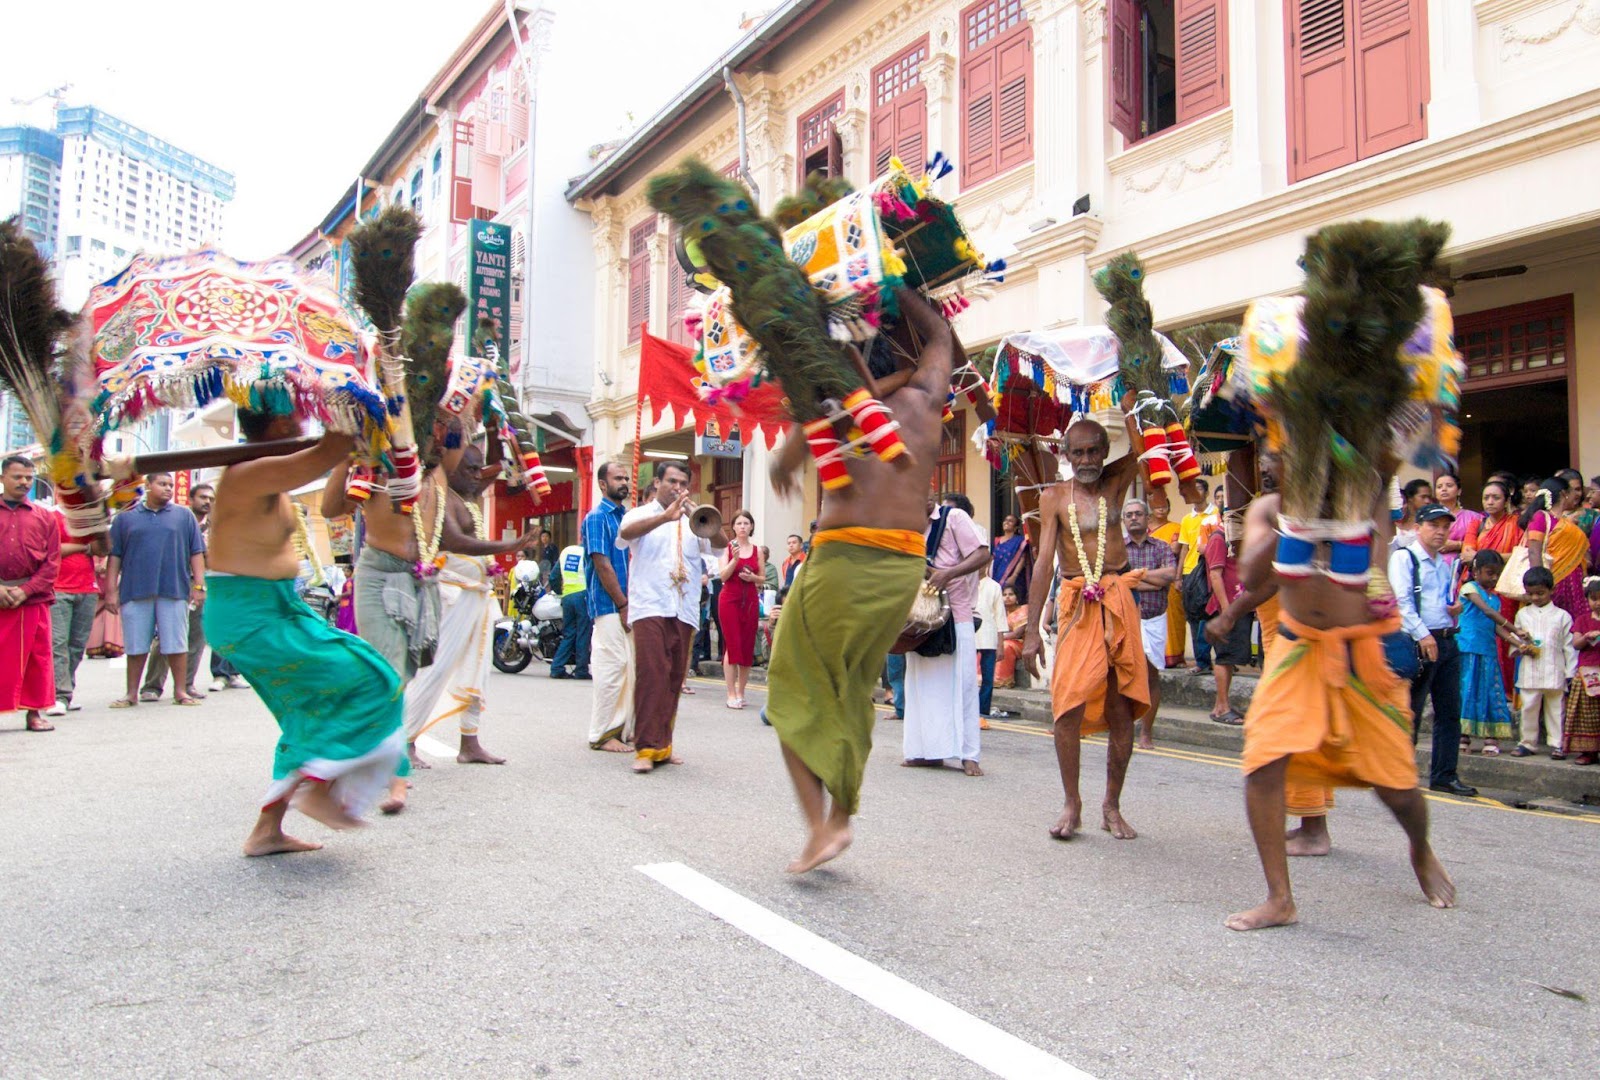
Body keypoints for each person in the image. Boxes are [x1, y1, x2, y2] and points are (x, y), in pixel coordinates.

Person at [764, 285, 951, 872]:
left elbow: (780, 467)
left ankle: (820, 829)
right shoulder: (925, 401)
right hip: (901, 570)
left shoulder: (832, 413)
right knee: (851, 691)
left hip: (842, 562)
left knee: (790, 690)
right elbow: (942, 335)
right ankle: (840, 817)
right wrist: (893, 285)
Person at [1227, 488, 1454, 930]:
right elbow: (1253, 576)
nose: (1277, 463)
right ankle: (1280, 899)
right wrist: (1294, 520)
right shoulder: (1269, 507)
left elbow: (1376, 556)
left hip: (1361, 651)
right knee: (1263, 762)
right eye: (1274, 455)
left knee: (1396, 788)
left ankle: (1420, 850)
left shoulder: (1365, 494)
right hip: (1297, 649)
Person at [203, 412, 404, 856]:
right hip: (250, 615)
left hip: (273, 608)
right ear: (276, 426)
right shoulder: (249, 473)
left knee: (309, 712)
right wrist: (355, 407)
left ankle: (267, 831)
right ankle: (318, 787)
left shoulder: (268, 474)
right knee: (374, 680)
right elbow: (329, 450)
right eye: (293, 420)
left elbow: (330, 454)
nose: (299, 425)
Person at [1020, 416, 1149, 841]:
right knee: (1068, 706)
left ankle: (1111, 806)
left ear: (1104, 450)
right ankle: (1071, 802)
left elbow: (1140, 450)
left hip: (1115, 598)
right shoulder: (1055, 496)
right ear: (1066, 455)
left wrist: (1128, 409)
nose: (1088, 459)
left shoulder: (1116, 484)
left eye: (1095, 450)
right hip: (1077, 603)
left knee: (1121, 708)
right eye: (1078, 453)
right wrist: (1032, 630)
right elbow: (1042, 563)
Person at [402, 445, 529, 781]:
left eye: (478, 469)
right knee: (434, 667)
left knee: (478, 672)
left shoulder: (468, 496)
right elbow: (456, 542)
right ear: (448, 466)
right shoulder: (437, 495)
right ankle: (405, 741)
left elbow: (495, 466)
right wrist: (507, 547)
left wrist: (497, 426)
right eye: (470, 469)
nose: (478, 475)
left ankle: (469, 743)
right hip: (452, 595)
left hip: (477, 597)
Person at [618, 460, 727, 772]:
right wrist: (664, 518)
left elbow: (720, 545)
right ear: (657, 483)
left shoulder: (694, 520)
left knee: (674, 677)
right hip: (650, 604)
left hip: (685, 607)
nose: (678, 488)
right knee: (652, 674)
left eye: (683, 483)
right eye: (672, 482)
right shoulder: (640, 513)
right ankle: (645, 747)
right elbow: (625, 534)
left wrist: (702, 515)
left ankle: (663, 746)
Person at [1389, 503, 1477, 796]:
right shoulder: (1405, 559)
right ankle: (1400, 773)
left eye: (1445, 527)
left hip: (1447, 638)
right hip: (1418, 641)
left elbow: (1441, 602)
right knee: (1411, 709)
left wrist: (1454, 610)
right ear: (1418, 528)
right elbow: (1402, 603)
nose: (1440, 532)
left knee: (1449, 712)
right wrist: (1424, 635)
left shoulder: (1444, 563)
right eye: (1433, 526)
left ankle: (1444, 774)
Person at [903, 491, 989, 776]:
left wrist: (947, 573)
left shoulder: (954, 517)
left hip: (956, 614)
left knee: (962, 685)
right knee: (921, 685)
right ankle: (925, 751)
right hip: (921, 616)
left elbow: (982, 554)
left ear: (931, 488)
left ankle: (969, 755)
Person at [106, 472, 207, 709]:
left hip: (174, 588)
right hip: (135, 589)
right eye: (162, 484)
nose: (168, 489)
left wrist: (199, 585)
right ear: (148, 486)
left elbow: (196, 553)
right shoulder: (126, 518)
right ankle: (131, 693)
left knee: (176, 642)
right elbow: (115, 556)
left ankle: (180, 691)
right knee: (136, 643)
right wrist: (111, 591)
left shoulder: (184, 516)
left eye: (171, 485)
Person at [1, 455, 61, 732]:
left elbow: (52, 563)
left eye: (28, 477)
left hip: (32, 597)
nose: (24, 482)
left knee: (37, 657)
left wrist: (26, 590)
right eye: (17, 477)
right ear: (3, 478)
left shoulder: (45, 517)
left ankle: (34, 713)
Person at [142, 481, 214, 701]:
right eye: (202, 497)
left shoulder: (216, 526)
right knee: (167, 636)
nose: (207, 502)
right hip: (176, 583)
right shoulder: (177, 519)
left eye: (211, 499)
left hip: (204, 584)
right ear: (190, 500)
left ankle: (187, 684)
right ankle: (152, 685)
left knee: (196, 636)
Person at [583, 462, 635, 752]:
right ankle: (601, 734)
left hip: (629, 605)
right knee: (612, 666)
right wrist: (622, 603)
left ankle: (623, 730)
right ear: (603, 484)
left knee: (630, 669)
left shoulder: (625, 518)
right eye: (618, 478)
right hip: (609, 604)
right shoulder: (597, 518)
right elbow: (602, 564)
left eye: (625, 477)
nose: (624, 482)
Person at [1461, 479, 1524, 696]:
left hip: (1504, 587)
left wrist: (1483, 557)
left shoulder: (1515, 523)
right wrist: (1491, 558)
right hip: (1478, 587)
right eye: (1486, 497)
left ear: (1506, 500)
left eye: (1496, 497)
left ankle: (1506, 690)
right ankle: (1482, 690)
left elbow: (1520, 553)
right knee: (1480, 633)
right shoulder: (1476, 524)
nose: (1490, 502)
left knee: (1501, 636)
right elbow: (1466, 553)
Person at [1123, 498, 1177, 748]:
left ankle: (1146, 732)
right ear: (1124, 520)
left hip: (1154, 618)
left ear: (1147, 518)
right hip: (1125, 620)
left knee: (1151, 676)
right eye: (1129, 514)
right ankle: (1122, 727)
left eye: (1138, 514)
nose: (1133, 518)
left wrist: (1135, 577)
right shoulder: (1117, 548)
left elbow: (1169, 575)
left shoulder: (1161, 547)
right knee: (1121, 676)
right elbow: (1116, 581)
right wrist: (1150, 578)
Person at [1457, 550, 1523, 755]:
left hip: (1487, 650)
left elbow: (1495, 627)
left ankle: (1490, 737)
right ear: (1475, 572)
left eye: (1497, 574)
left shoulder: (1495, 598)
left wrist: (1517, 642)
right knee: (1467, 691)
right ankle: (1462, 737)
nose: (1494, 578)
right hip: (1467, 648)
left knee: (1489, 692)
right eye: (1489, 573)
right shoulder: (1469, 588)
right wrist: (1515, 629)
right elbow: (1487, 612)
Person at [47, 497, 108, 716]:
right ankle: (58, 695)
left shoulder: (89, 518)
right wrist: (84, 547)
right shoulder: (52, 516)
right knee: (58, 643)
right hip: (59, 587)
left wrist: (102, 522)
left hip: (87, 588)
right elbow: (52, 550)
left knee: (77, 645)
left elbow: (103, 550)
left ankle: (65, 690)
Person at [1511, 566, 1577, 758]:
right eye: (1531, 594)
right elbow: (1516, 638)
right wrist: (1520, 648)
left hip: (1554, 669)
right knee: (1529, 707)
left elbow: (1569, 646)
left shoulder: (1562, 616)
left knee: (1556, 709)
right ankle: (1527, 743)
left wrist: (1570, 673)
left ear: (1551, 590)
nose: (1536, 598)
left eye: (1540, 593)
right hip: (1530, 669)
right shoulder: (1523, 615)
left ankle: (1558, 744)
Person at [1521, 477, 1590, 625]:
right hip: (1553, 583)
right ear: (1564, 494)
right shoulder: (1540, 517)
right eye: (1572, 492)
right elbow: (1534, 551)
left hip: (1573, 585)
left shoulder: (1563, 520)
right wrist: (1540, 585)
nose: (1576, 497)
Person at [1204, 518, 1251, 726]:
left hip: (1238, 606)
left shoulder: (1239, 539)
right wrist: (1226, 612)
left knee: (1230, 658)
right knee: (1224, 657)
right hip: (1227, 608)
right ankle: (1222, 707)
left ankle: (1221, 705)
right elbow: (1215, 575)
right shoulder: (1218, 538)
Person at [715, 509, 763, 709]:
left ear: (751, 526)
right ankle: (731, 692)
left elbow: (762, 578)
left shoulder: (757, 550)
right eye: (739, 523)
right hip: (730, 599)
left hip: (750, 599)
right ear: (733, 526)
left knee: (746, 645)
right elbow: (723, 576)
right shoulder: (726, 548)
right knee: (732, 644)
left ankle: (742, 691)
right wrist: (735, 560)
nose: (743, 527)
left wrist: (753, 578)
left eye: (746, 523)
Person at [1176, 477, 1218, 673]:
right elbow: (1184, 549)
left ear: (1206, 493)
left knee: (1213, 613)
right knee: (1194, 617)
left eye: (1199, 489)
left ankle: (1223, 660)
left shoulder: (1216, 514)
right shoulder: (1186, 519)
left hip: (1211, 570)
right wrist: (1178, 576)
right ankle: (1202, 662)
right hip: (1190, 572)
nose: (1195, 494)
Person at [1562, 576, 1600, 765]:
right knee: (1586, 715)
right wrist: (1586, 637)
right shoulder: (1583, 620)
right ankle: (1588, 751)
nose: (1598, 603)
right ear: (1587, 599)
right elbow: (1576, 644)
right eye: (1594, 598)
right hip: (1586, 674)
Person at [1149, 489, 1187, 668]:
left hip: (1169, 579)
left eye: (1165, 506)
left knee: (1174, 618)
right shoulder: (1145, 530)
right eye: (1158, 506)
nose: (1161, 509)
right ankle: (1156, 657)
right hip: (1148, 581)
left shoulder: (1176, 527)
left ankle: (1176, 656)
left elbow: (1174, 549)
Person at [550, 536, 593, 681]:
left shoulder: (566, 551)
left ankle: (557, 667)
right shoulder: (589, 553)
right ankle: (581, 670)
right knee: (583, 634)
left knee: (569, 633)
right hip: (583, 596)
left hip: (567, 596)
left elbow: (553, 577)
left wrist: (560, 592)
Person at [974, 570, 1005, 725]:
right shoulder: (966, 583)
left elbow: (1000, 615)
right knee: (967, 675)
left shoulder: (994, 587)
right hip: (970, 635)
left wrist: (1001, 643)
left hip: (989, 635)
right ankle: (969, 708)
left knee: (988, 677)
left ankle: (982, 710)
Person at [1436, 473, 1480, 566]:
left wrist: (1458, 545)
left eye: (1449, 485)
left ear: (1459, 491)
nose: (1444, 489)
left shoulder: (1474, 517)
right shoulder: (1428, 518)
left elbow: (1482, 544)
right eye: (1439, 487)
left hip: (1463, 566)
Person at [991, 512, 1032, 599]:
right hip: (996, 576)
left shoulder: (1020, 541)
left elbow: (1022, 558)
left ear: (1016, 527)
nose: (1007, 522)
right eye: (1005, 520)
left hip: (1013, 579)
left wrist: (1014, 576)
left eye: (1010, 521)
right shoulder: (996, 541)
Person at [1390, 478, 1432, 552]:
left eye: (1429, 497)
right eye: (1423, 497)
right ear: (1410, 498)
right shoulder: (1393, 522)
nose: (1427, 501)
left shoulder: (1430, 522)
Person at [779, 534, 805, 598]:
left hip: (803, 595)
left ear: (801, 545)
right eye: (789, 543)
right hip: (788, 597)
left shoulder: (807, 560)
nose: (791, 545)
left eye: (794, 542)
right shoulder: (785, 562)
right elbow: (786, 579)